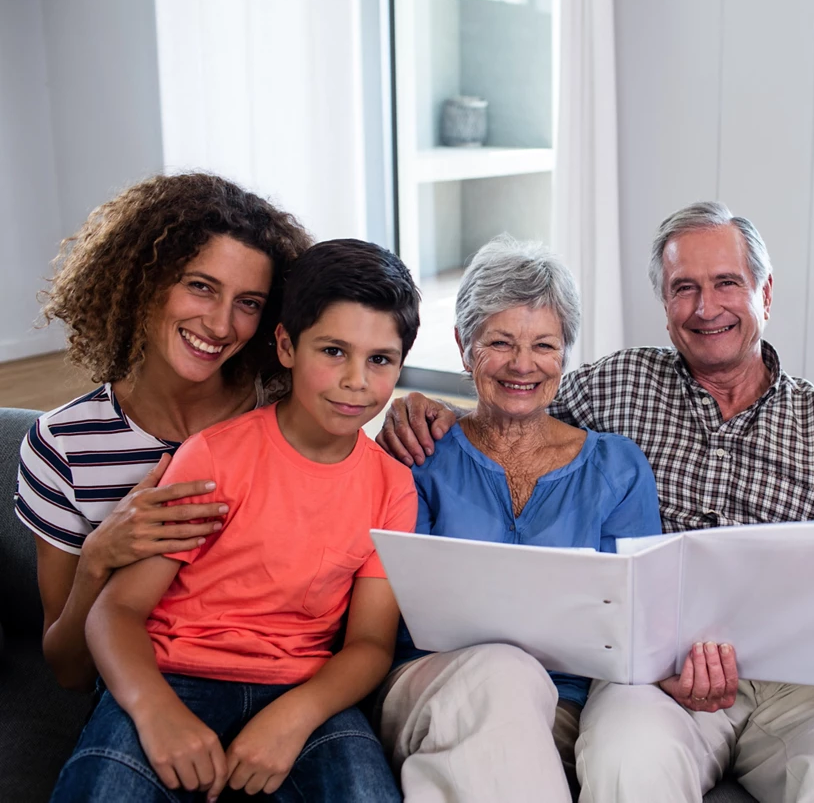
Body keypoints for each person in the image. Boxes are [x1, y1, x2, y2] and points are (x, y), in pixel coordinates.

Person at [379, 202, 814, 803]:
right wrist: (423, 409)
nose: (706, 307)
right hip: (658, 679)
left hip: (798, 686)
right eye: (683, 288)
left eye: (727, 283)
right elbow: (516, 405)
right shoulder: (610, 387)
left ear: (765, 292)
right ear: (664, 305)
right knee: (627, 758)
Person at [49, 239, 421, 802]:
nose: (356, 382)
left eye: (380, 360)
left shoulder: (393, 487)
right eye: (333, 351)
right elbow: (117, 611)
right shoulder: (212, 457)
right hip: (174, 676)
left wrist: (295, 716)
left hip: (302, 691)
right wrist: (154, 710)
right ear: (286, 346)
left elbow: (370, 643)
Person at [378, 235, 662, 803]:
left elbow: (635, 620)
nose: (522, 365)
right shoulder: (419, 453)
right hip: (432, 690)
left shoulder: (616, 467)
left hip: (561, 704)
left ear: (566, 353)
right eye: (500, 342)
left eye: (545, 345)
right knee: (503, 674)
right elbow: (398, 610)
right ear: (463, 346)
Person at [15, 173, 311, 691]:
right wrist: (98, 558)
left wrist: (419, 413)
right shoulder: (60, 444)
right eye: (200, 286)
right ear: (144, 281)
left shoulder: (288, 409)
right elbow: (68, 669)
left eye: (249, 303)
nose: (220, 326)